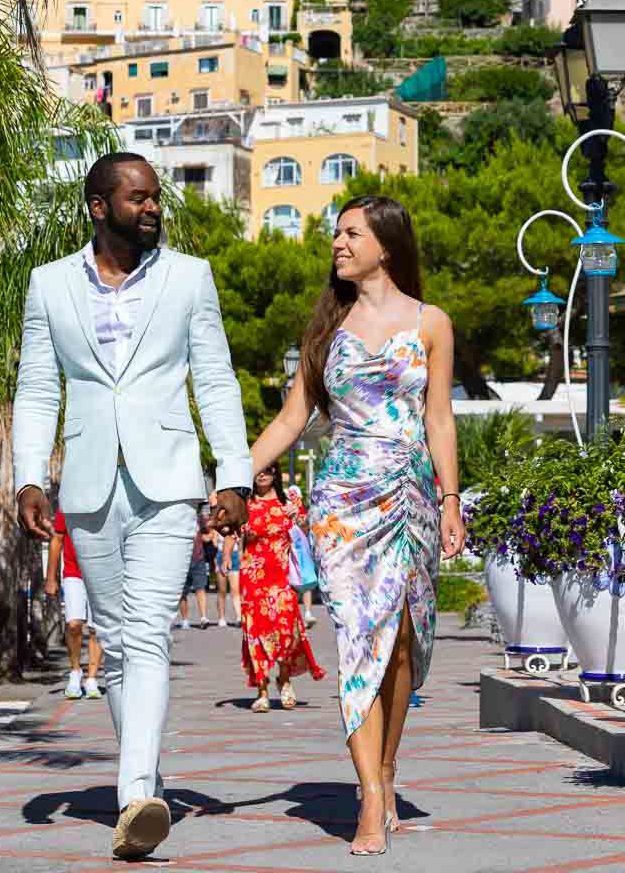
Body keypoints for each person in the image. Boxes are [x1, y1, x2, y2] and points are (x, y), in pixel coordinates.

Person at [14, 153, 252, 861]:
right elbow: (36, 389)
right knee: (117, 643)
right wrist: (31, 477)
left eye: (156, 198)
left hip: (169, 481)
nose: (152, 208)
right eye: (138, 198)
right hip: (88, 482)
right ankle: (143, 781)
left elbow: (214, 378)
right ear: (99, 206)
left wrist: (231, 473)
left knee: (146, 632)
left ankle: (136, 797)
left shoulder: (189, 278)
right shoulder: (49, 285)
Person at [251, 196, 464, 857]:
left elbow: (439, 421)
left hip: (410, 496)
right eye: (336, 233)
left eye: (351, 233)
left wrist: (452, 499)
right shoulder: (326, 331)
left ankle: (388, 767)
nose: (338, 244)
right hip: (342, 502)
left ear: (387, 245)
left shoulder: (432, 324)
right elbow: (292, 420)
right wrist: (230, 475)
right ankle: (370, 795)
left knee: (402, 642)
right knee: (358, 641)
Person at [240, 462, 325, 712]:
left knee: (286, 630)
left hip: (282, 578)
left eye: (267, 470)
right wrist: (225, 558)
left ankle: (284, 679)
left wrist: (296, 517)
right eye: (257, 472)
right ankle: (262, 690)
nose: (262, 475)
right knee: (257, 634)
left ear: (275, 473)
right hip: (254, 579)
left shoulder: (289, 500)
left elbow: (307, 530)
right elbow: (235, 533)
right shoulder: (245, 504)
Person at [46, 507, 103, 699]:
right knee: (74, 624)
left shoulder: (107, 503)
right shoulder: (68, 505)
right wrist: (50, 578)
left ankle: (92, 678)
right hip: (73, 573)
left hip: (101, 574)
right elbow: (57, 540)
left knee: (96, 628)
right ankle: (75, 671)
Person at [286, 484, 317, 628]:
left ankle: (305, 613)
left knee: (300, 580)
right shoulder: (294, 510)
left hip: (297, 551)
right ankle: (303, 613)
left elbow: (304, 528)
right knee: (301, 580)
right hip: (296, 552)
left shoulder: (297, 511)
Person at [178, 506, 211, 629]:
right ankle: (185, 619)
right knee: (182, 592)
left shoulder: (199, 519)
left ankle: (203, 617)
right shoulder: (179, 519)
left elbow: (208, 529)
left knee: (200, 588)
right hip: (182, 559)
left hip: (198, 558)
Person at [215, 529, 242, 627]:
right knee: (222, 590)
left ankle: (239, 617)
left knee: (235, 589)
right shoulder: (218, 527)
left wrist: (240, 553)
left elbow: (240, 542)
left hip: (235, 555)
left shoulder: (236, 526)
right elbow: (214, 543)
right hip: (220, 555)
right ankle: (221, 617)